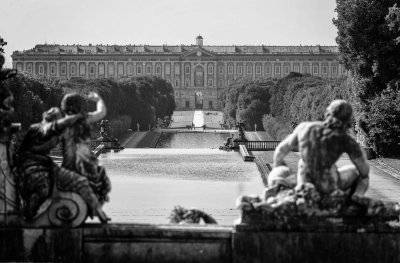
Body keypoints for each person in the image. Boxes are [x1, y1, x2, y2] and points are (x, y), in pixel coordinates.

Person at [269, 100, 369, 203]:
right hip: (327, 185)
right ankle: (357, 197)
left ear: (327, 113)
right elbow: (364, 170)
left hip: (303, 180)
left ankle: (280, 189)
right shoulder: (346, 140)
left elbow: (280, 152)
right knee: (356, 172)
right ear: (347, 121)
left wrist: (279, 166)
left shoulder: (304, 127)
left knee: (280, 171)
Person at [18, 107, 101, 220]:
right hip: (28, 164)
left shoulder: (56, 133)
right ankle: (27, 215)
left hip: (46, 165)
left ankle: (97, 211)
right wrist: (76, 116)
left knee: (81, 181)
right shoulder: (37, 128)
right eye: (58, 119)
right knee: (43, 189)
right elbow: (54, 127)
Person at [60, 92, 111, 222]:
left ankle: (90, 208)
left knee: (99, 181)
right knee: (100, 181)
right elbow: (101, 112)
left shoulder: (63, 123)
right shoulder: (84, 119)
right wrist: (98, 98)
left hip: (76, 160)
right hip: (84, 159)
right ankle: (96, 209)